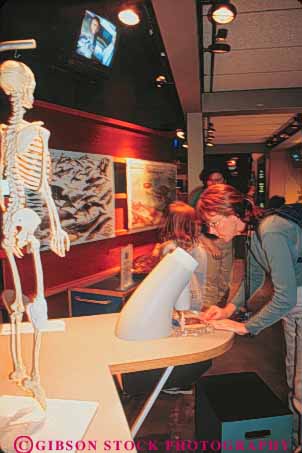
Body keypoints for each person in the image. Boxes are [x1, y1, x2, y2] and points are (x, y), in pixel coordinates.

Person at [198, 184, 302, 452]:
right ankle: (292, 441)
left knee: (301, 387)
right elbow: (253, 278)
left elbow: (286, 297)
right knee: (294, 379)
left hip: (298, 301)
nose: (212, 231)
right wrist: (228, 310)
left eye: (214, 222)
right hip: (296, 306)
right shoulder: (253, 233)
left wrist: (245, 327)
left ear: (233, 214)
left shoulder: (271, 230)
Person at [153, 200, 220, 311]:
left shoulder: (171, 248)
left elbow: (184, 282)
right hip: (193, 302)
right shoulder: (196, 245)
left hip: (182, 304)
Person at [189, 168, 233, 308]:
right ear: (205, 181)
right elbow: (191, 222)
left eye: (218, 179)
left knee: (225, 279)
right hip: (207, 240)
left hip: (226, 240)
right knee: (210, 279)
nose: (214, 183)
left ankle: (219, 308)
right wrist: (208, 243)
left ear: (224, 180)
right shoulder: (198, 196)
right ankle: (208, 310)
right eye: (210, 180)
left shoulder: (228, 195)